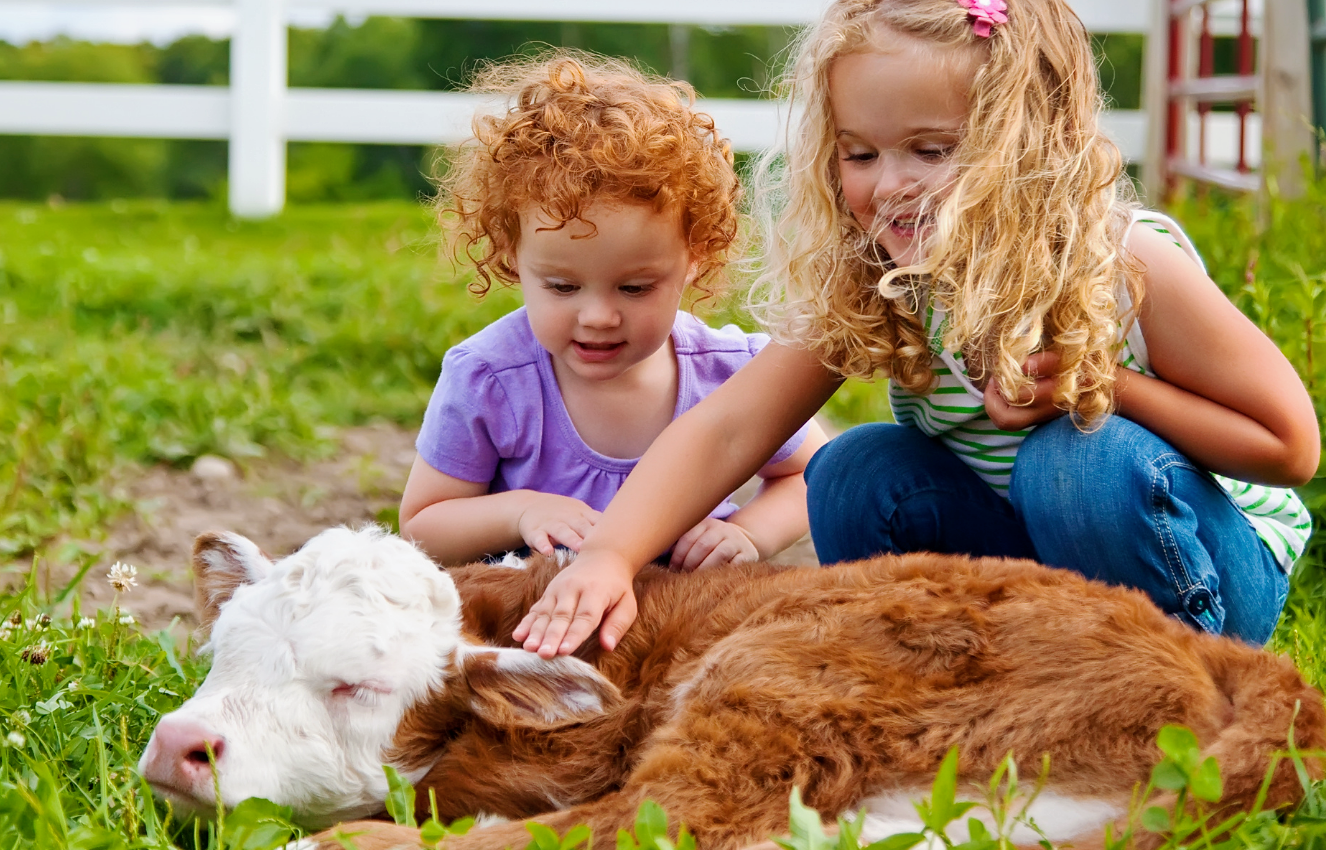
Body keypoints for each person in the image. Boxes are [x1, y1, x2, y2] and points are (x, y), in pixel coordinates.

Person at [513, 0, 1320, 657]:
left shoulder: (1121, 264)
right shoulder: (884, 271)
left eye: (932, 150)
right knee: (855, 469)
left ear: (1023, 143)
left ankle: (1166, 687)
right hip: (1041, 566)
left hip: (1202, 570)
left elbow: (1289, 447)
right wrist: (610, 557)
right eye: (859, 153)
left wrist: (1106, 388)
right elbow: (729, 430)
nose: (891, 185)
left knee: (1074, 459)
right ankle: (950, 667)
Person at [399, 53, 827, 572]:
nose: (598, 316)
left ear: (695, 257)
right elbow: (423, 524)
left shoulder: (731, 371)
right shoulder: (491, 379)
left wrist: (748, 534)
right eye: (562, 286)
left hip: (682, 620)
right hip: (537, 618)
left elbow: (810, 476)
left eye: (634, 287)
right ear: (511, 254)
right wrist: (520, 512)